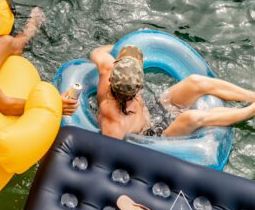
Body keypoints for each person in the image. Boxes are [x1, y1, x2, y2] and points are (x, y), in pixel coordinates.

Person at [89, 43, 255, 139]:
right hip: (153, 138)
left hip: (152, 112)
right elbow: (111, 152)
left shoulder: (108, 67)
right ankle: (250, 111)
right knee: (191, 117)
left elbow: (96, 52)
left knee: (194, 82)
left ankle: (250, 96)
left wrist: (117, 47)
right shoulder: (114, 122)